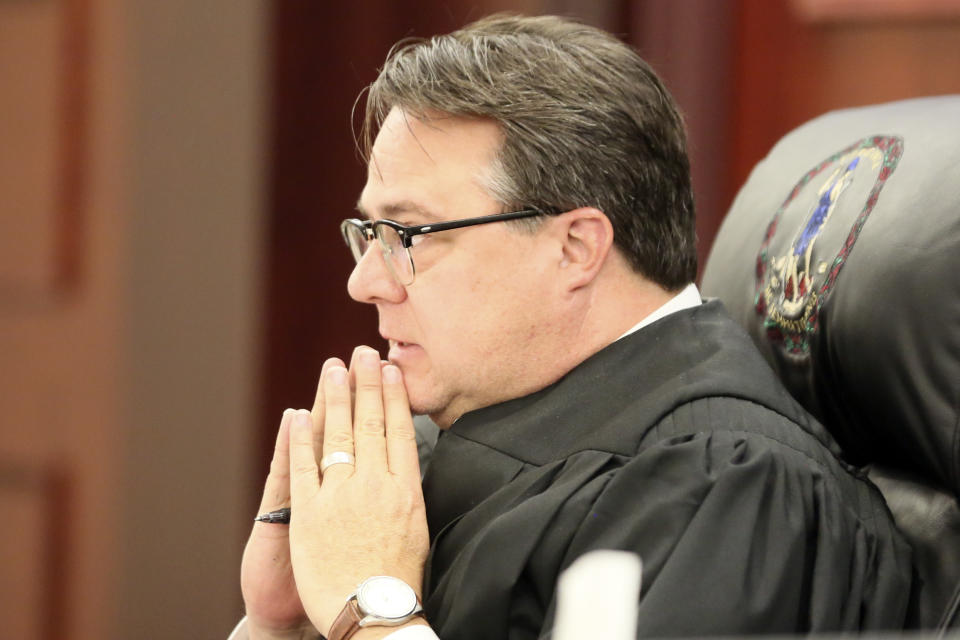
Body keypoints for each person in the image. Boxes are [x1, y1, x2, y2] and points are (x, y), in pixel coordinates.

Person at [232, 14, 912, 640]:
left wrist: (373, 610)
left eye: (409, 234)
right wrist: (276, 626)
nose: (365, 281)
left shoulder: (731, 487)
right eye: (370, 233)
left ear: (576, 248)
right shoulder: (433, 449)